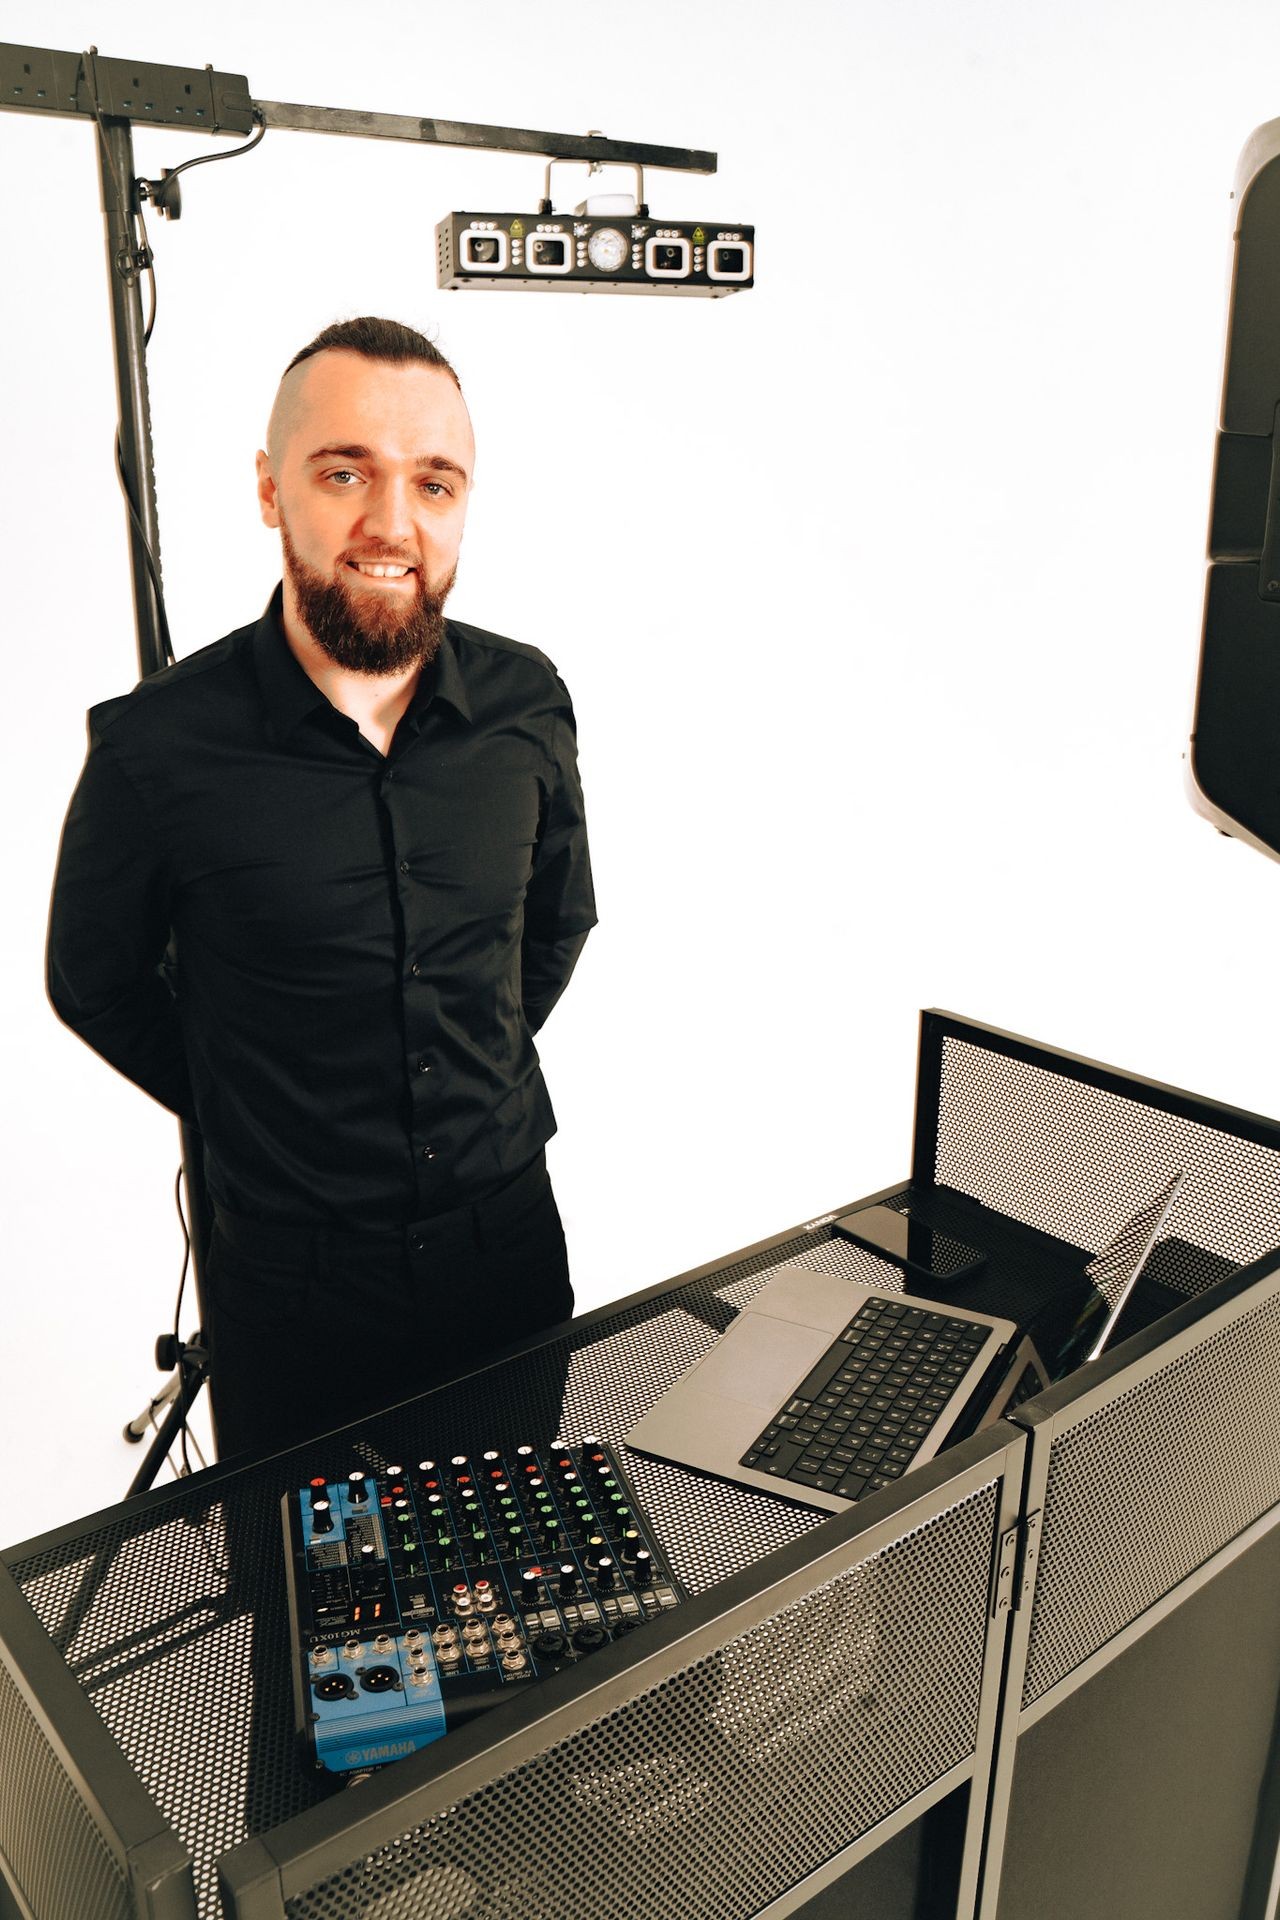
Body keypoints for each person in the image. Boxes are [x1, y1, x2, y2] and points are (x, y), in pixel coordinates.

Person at [47, 316, 596, 1459]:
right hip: (291, 1295)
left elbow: (555, 924)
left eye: (433, 483)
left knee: (524, 1601)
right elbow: (93, 981)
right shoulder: (156, 749)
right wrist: (258, 1113)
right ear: (269, 489)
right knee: (308, 1620)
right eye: (344, 472)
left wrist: (472, 1063)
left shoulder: (526, 700)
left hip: (507, 1250)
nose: (391, 523)